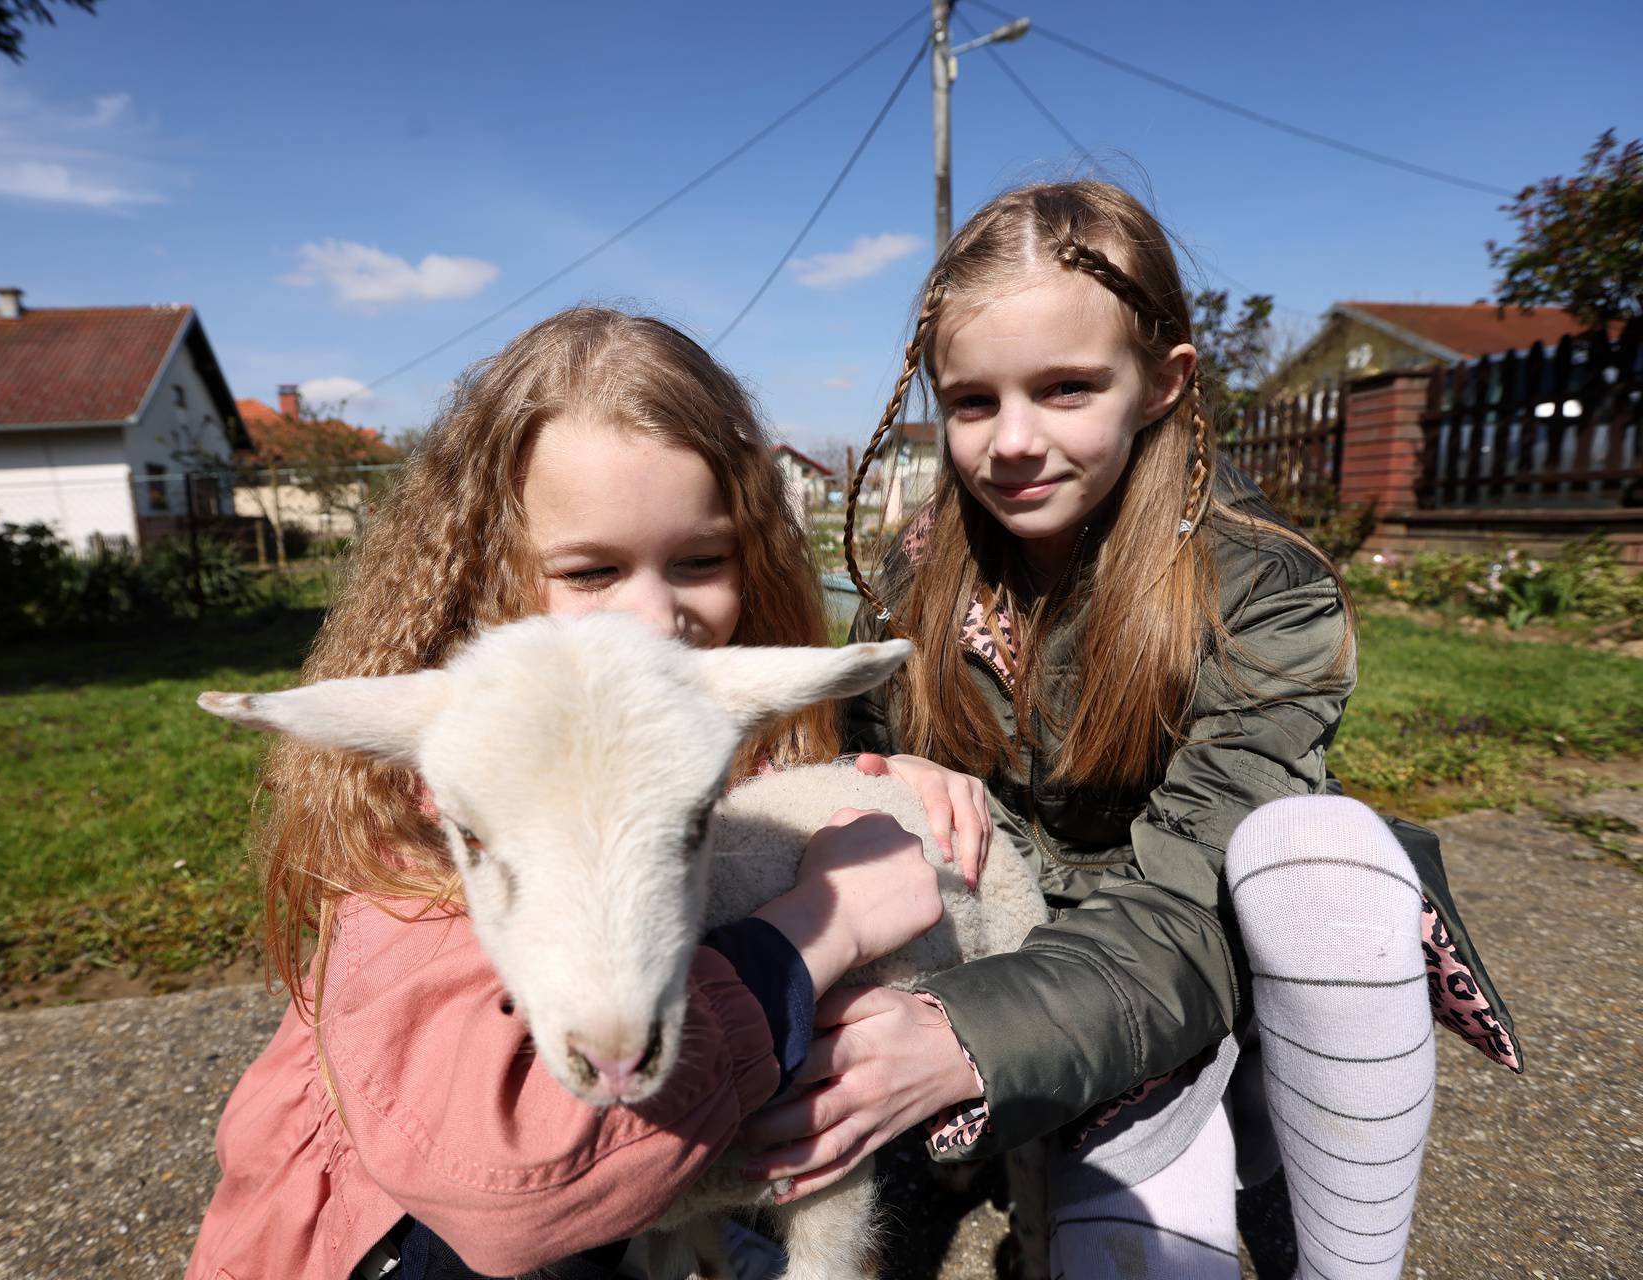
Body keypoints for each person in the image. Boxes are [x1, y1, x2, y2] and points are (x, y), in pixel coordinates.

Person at [740, 181, 1523, 1279]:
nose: (1012, 441)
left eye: (1067, 387)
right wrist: (897, 765)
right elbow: (862, 766)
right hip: (1056, 986)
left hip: (1201, 966)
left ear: (1163, 381)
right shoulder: (923, 575)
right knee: (1137, 1253)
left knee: (1322, 851)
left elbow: (1185, 899)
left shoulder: (1262, 591)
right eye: (972, 400)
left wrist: (966, 1041)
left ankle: (1337, 1242)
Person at [185, 307, 978, 1280]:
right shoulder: (423, 816)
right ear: (487, 568)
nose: (652, 615)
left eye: (699, 560)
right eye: (593, 569)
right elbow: (510, 1192)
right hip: (391, 1247)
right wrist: (819, 928)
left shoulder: (695, 737)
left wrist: (898, 783)